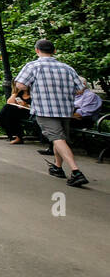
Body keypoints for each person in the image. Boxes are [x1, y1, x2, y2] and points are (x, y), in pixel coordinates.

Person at [15, 40, 90, 188]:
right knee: (60, 137)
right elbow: (80, 89)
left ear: (37, 50)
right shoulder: (67, 68)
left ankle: (76, 172)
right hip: (65, 108)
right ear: (54, 51)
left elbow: (20, 85)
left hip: (45, 108)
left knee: (57, 138)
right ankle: (57, 167)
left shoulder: (33, 66)